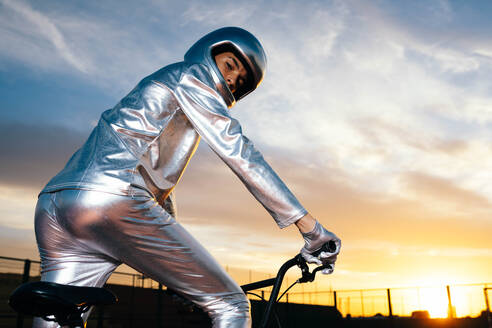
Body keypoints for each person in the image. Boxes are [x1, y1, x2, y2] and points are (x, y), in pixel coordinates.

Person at [33, 27, 341, 328]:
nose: (232, 79)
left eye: (240, 81)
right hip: (113, 197)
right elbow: (239, 151)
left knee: (59, 315)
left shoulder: (168, 87)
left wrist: (172, 272)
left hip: (56, 206)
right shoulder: (192, 77)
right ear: (209, 52)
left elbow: (156, 186)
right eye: (230, 65)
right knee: (231, 305)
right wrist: (310, 227)